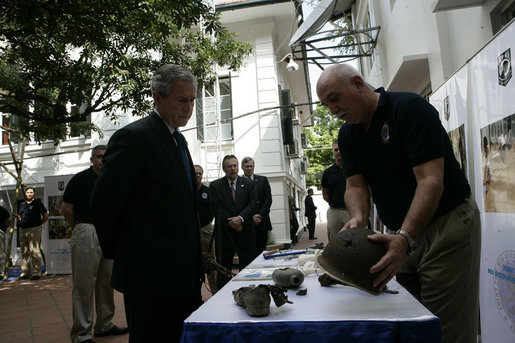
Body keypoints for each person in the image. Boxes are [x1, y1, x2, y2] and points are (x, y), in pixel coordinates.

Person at [316, 64, 480, 343]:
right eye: (325, 104)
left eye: (334, 98)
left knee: (444, 331)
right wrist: (358, 219)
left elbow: (430, 181)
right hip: (399, 234)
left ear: (357, 83)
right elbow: (355, 186)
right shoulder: (348, 135)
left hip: (446, 227)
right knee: (411, 325)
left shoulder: (409, 108)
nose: (332, 110)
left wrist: (404, 236)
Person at [90, 64, 203, 343]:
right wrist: (133, 254)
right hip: (149, 277)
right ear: (157, 97)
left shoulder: (179, 140)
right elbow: (103, 204)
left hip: (185, 273)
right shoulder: (135, 137)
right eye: (181, 99)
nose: (189, 107)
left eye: (192, 100)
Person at [62, 145, 128, 343]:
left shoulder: (113, 180)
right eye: (99, 157)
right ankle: (81, 333)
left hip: (109, 233)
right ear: (92, 159)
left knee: (107, 282)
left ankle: (104, 325)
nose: (102, 160)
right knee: (83, 284)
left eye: (106, 157)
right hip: (87, 230)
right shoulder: (80, 180)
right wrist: (79, 228)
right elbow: (66, 209)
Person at [209, 155, 257, 290]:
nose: (232, 168)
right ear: (224, 169)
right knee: (223, 268)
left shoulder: (248, 184)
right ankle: (223, 296)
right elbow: (215, 207)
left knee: (247, 267)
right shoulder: (215, 186)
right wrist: (232, 222)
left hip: (245, 231)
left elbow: (253, 204)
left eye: (235, 165)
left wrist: (240, 219)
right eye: (229, 166)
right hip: (225, 233)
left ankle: (249, 292)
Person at [241, 156, 273, 256]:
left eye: (251, 166)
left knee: (261, 252)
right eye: (247, 166)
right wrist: (250, 217)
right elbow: (239, 204)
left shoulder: (263, 180)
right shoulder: (238, 182)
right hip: (246, 223)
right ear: (242, 167)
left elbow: (268, 200)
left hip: (261, 222)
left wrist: (259, 215)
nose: (249, 169)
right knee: (248, 253)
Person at [194, 164, 217, 294]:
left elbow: (214, 209)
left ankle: (215, 291)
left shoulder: (207, 191)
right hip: (190, 231)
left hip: (205, 229)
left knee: (210, 261)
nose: (198, 175)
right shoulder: (187, 190)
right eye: (195, 173)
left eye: (200, 174)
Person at [17, 187, 49, 280]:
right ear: (25, 193)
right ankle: (25, 272)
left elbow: (46, 215)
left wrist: (39, 224)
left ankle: (36, 273)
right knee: (24, 251)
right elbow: (19, 215)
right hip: (23, 230)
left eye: (31, 192)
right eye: (28, 192)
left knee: (34, 250)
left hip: (34, 229)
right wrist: (20, 222)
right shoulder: (22, 204)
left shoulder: (37, 203)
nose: (29, 194)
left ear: (34, 193)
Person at [321, 140, 351, 241]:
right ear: (333, 152)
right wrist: (335, 202)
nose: (339, 151)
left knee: (354, 239)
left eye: (341, 149)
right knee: (335, 241)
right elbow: (325, 194)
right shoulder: (328, 173)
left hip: (351, 211)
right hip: (334, 211)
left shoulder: (353, 169)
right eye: (336, 149)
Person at [0, 205, 12, 279]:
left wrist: (3, 229)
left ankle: (1, 272)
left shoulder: (2, 210)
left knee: (1, 253)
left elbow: (9, 220)